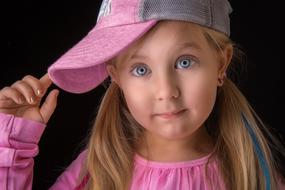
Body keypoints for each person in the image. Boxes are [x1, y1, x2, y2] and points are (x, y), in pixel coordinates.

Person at [0, 0, 285, 189]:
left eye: (184, 62)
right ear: (116, 76)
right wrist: (11, 146)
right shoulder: (97, 169)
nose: (166, 91)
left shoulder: (250, 173)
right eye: (140, 69)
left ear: (221, 64)